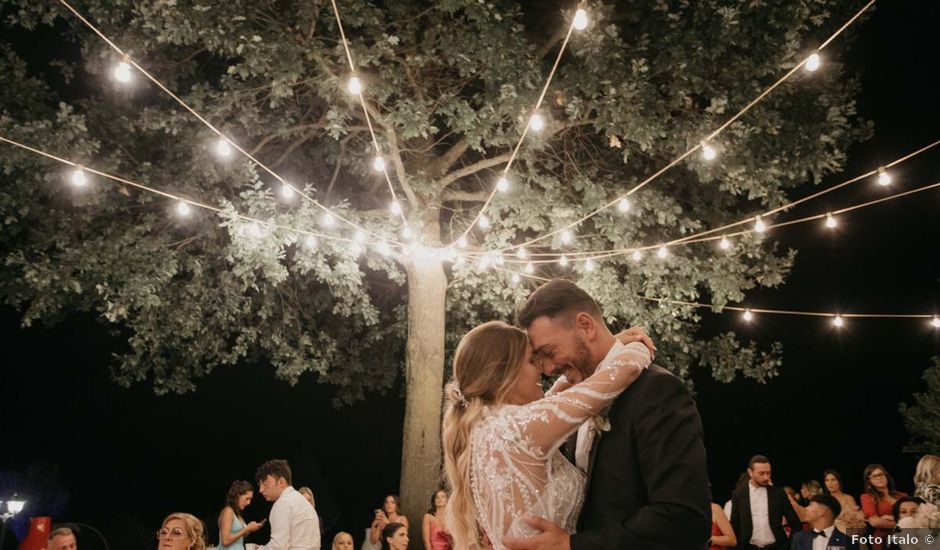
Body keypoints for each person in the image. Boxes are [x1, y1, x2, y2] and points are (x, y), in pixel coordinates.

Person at [502, 279, 711, 550]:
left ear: (586, 325)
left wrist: (574, 545)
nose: (549, 368)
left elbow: (685, 518)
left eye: (550, 352)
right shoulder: (575, 403)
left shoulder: (656, 391)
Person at [441, 316, 655, 550]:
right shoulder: (518, 428)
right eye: (533, 360)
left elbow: (555, 399)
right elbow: (624, 372)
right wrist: (634, 347)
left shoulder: (487, 428)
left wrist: (607, 345)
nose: (543, 370)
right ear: (504, 374)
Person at [729, 455, 802, 550]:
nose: (766, 477)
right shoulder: (739, 494)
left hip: (777, 547)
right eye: (761, 473)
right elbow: (735, 524)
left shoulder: (778, 494)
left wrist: (790, 544)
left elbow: (795, 522)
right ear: (750, 472)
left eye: (768, 473)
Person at [255, 459, 321, 549]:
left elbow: (278, 547)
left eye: (265, 484)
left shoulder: (283, 503)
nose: (261, 490)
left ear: (281, 482)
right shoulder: (304, 503)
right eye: (259, 485)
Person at [860, 464, 906, 550]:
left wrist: (889, 518)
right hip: (883, 539)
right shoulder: (867, 497)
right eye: (874, 476)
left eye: (881, 474)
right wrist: (903, 523)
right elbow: (875, 522)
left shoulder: (902, 496)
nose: (879, 478)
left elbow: (912, 517)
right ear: (869, 481)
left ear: (886, 476)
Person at [788, 495, 857, 550]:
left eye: (811, 505)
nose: (806, 508)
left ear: (822, 511)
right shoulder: (799, 538)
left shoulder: (848, 542)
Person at [219, 480, 265, 550]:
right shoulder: (228, 511)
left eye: (250, 499)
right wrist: (247, 528)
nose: (249, 502)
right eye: (247, 498)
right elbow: (225, 541)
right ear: (237, 495)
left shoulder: (238, 515)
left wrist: (252, 528)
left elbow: (239, 536)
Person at [821, 469, 866, 534]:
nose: (830, 483)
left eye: (833, 480)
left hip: (850, 532)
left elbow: (857, 519)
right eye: (827, 480)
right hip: (832, 533)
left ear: (839, 481)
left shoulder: (848, 498)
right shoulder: (824, 501)